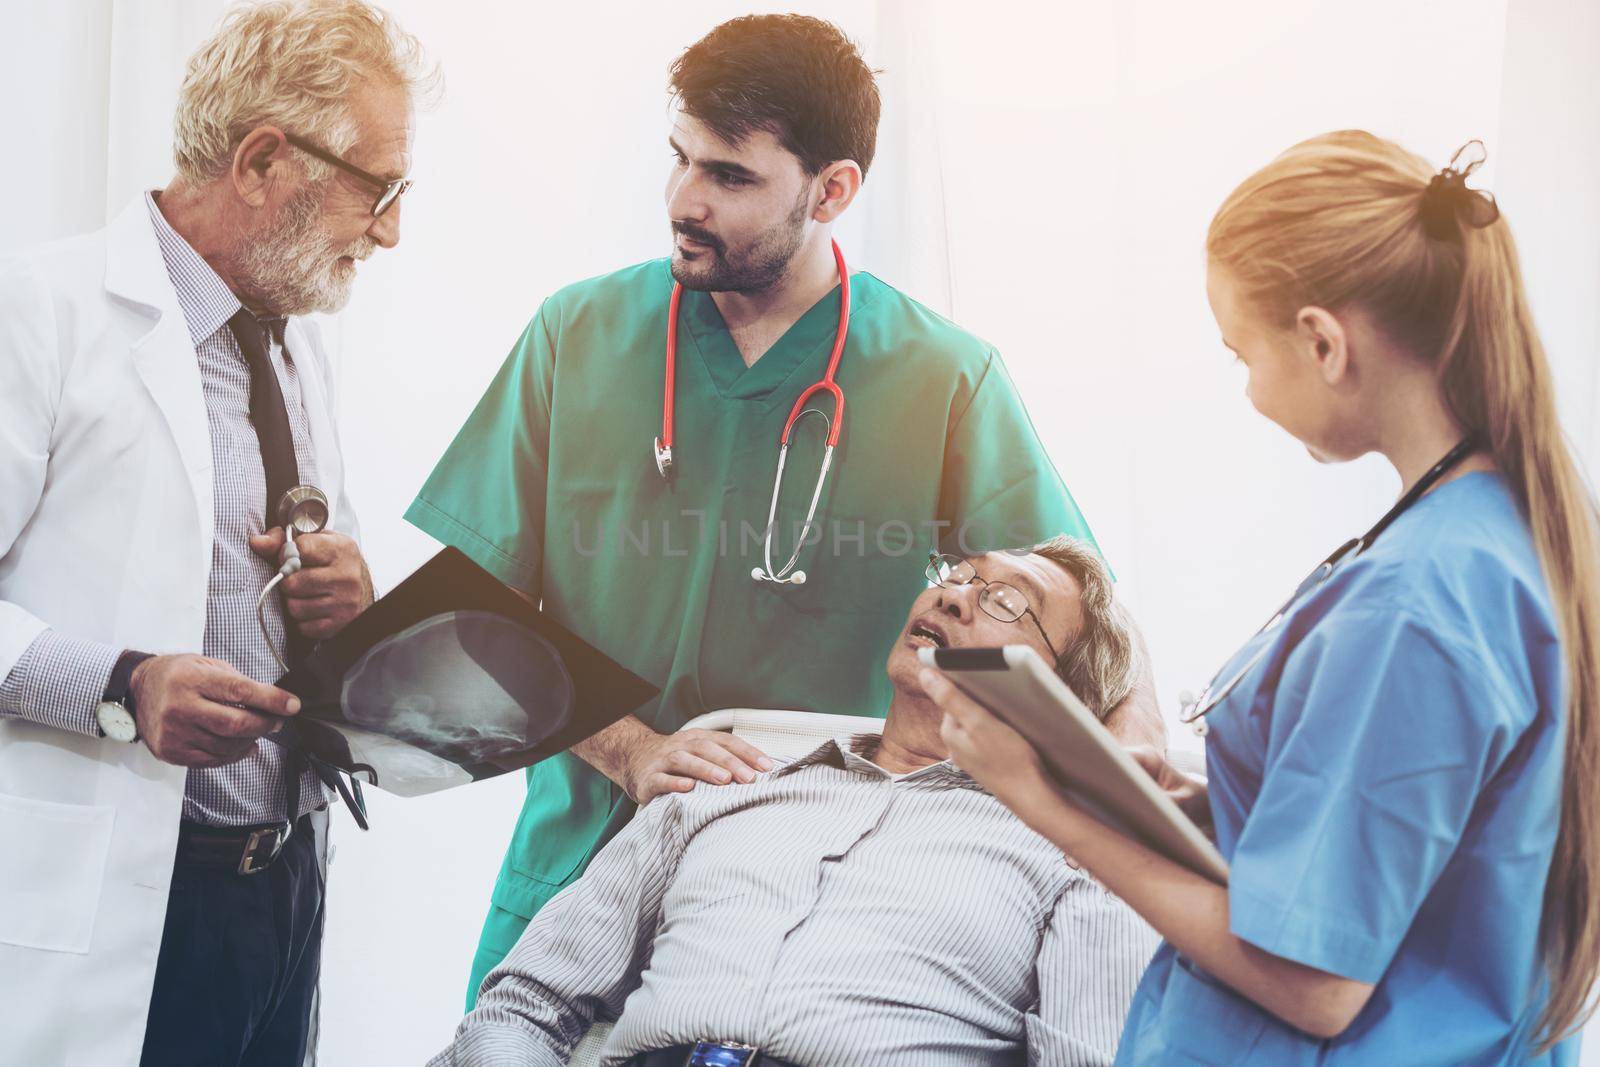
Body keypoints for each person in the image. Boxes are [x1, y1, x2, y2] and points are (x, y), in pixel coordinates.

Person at [406, 12, 1165, 1006]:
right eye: (679, 159)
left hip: (800, 908)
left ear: (833, 189)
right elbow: (473, 604)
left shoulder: (940, 374)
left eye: (729, 177)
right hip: (578, 859)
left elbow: (1074, 594)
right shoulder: (575, 332)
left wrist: (1134, 751)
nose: (683, 198)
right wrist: (632, 750)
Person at [928, 132, 1600, 1064]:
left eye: (1241, 351)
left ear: (1323, 341)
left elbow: (1316, 984)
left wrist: (1044, 799)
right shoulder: (1491, 536)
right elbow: (1417, 839)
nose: (1245, 388)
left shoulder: (1414, 602)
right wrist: (1208, 801)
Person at [0, 2, 435, 1061]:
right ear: (261, 161)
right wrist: (123, 682)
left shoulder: (296, 345)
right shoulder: (39, 314)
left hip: (284, 881)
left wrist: (347, 591)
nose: (389, 230)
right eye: (378, 191)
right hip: (124, 903)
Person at [431, 537, 1157, 1067]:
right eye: (959, 573)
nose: (951, 594)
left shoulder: (1075, 860)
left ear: (1060, 695)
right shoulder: (724, 785)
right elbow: (523, 1004)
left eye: (1004, 601)